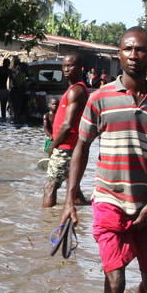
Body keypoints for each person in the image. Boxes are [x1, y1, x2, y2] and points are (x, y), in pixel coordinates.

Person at [59, 28, 147, 293]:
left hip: (146, 202)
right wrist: (69, 201)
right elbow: (82, 148)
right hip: (109, 201)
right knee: (115, 282)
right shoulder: (100, 98)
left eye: (140, 49)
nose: (134, 55)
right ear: (119, 53)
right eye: (128, 49)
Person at [43, 55, 90, 208]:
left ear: (80, 68)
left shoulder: (76, 91)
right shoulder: (74, 90)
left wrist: (53, 146)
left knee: (50, 186)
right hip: (73, 147)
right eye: (64, 66)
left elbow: (68, 125)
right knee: (73, 190)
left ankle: (45, 224)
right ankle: (81, 218)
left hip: (66, 147)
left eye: (70, 66)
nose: (66, 70)